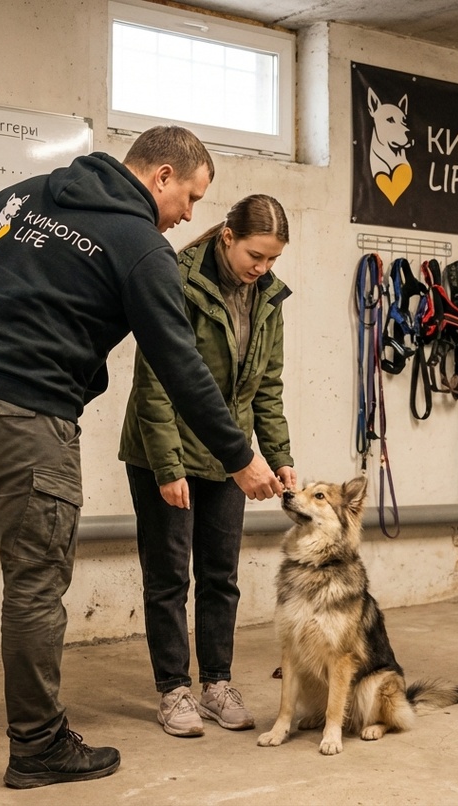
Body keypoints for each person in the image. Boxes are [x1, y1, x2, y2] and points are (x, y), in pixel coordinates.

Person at [0, 126, 285, 790]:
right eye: (191, 197)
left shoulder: (23, 195)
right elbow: (180, 365)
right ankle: (38, 745)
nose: (190, 216)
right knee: (34, 586)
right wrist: (239, 456)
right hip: (26, 413)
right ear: (162, 176)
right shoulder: (143, 247)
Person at [119, 194, 296, 737]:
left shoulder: (267, 296)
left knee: (221, 575)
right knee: (169, 576)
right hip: (163, 447)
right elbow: (154, 383)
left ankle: (216, 683)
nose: (262, 269)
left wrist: (280, 457)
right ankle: (174, 690)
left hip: (229, 456)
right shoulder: (175, 278)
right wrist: (168, 467)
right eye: (255, 255)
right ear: (227, 237)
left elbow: (266, 386)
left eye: (272, 260)